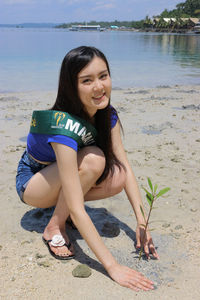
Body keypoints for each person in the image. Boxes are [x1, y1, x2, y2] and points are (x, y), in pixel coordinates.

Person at [16, 46, 158, 292]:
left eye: (103, 76)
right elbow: (78, 207)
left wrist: (141, 221)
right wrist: (113, 267)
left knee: (118, 174)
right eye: (87, 81)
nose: (99, 87)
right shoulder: (63, 125)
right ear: (71, 86)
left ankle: (62, 215)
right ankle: (54, 228)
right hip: (34, 183)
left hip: (62, 178)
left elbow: (125, 165)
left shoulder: (107, 115)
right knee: (94, 159)